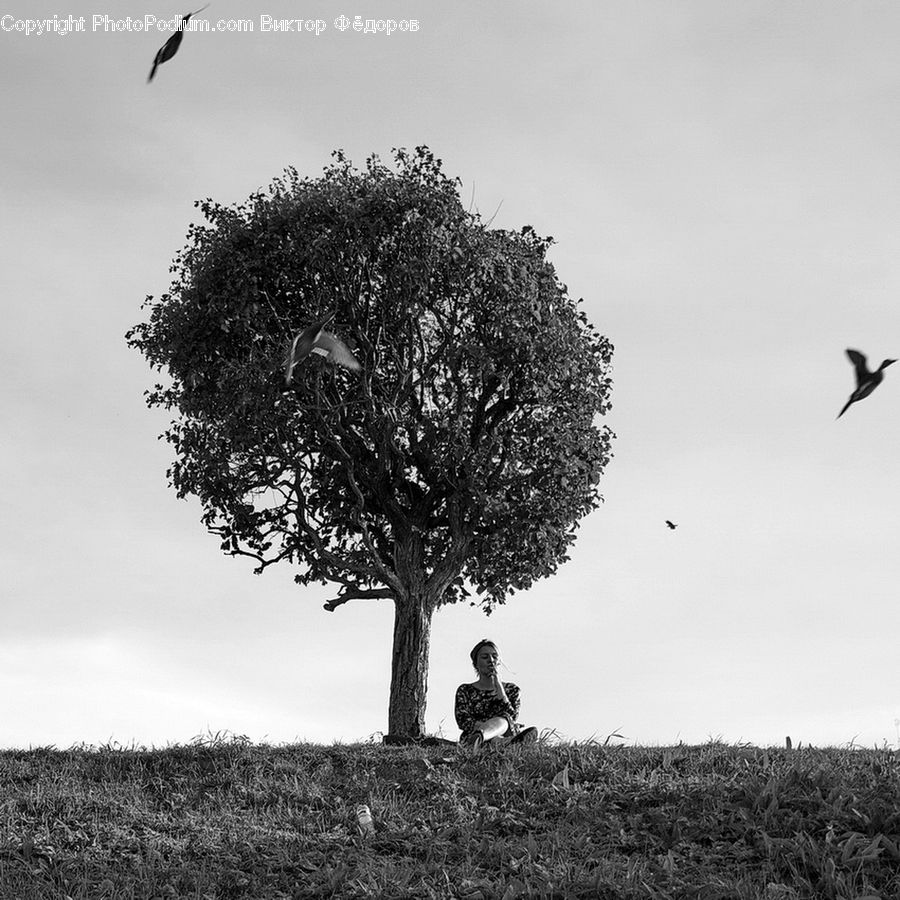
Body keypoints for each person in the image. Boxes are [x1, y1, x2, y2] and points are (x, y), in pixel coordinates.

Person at [455, 639, 537, 751]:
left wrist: (499, 687)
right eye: (485, 657)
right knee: (495, 736)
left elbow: (511, 717)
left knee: (504, 719)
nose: (491, 660)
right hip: (471, 736)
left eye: (494, 656)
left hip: (505, 732)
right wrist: (488, 727)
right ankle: (499, 742)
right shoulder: (465, 690)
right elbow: (463, 720)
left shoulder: (512, 689)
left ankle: (484, 738)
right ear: (476, 664)